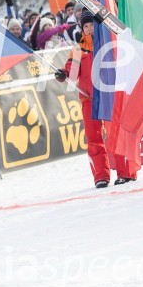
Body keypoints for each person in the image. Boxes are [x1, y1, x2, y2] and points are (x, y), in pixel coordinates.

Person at [58, 11, 135, 187]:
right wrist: (63, 73)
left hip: (110, 97)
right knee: (94, 138)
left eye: (92, 25)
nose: (90, 29)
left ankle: (125, 172)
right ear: (82, 29)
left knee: (116, 135)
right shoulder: (78, 49)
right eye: (86, 26)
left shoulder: (110, 44)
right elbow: (72, 71)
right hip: (89, 98)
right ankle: (101, 176)